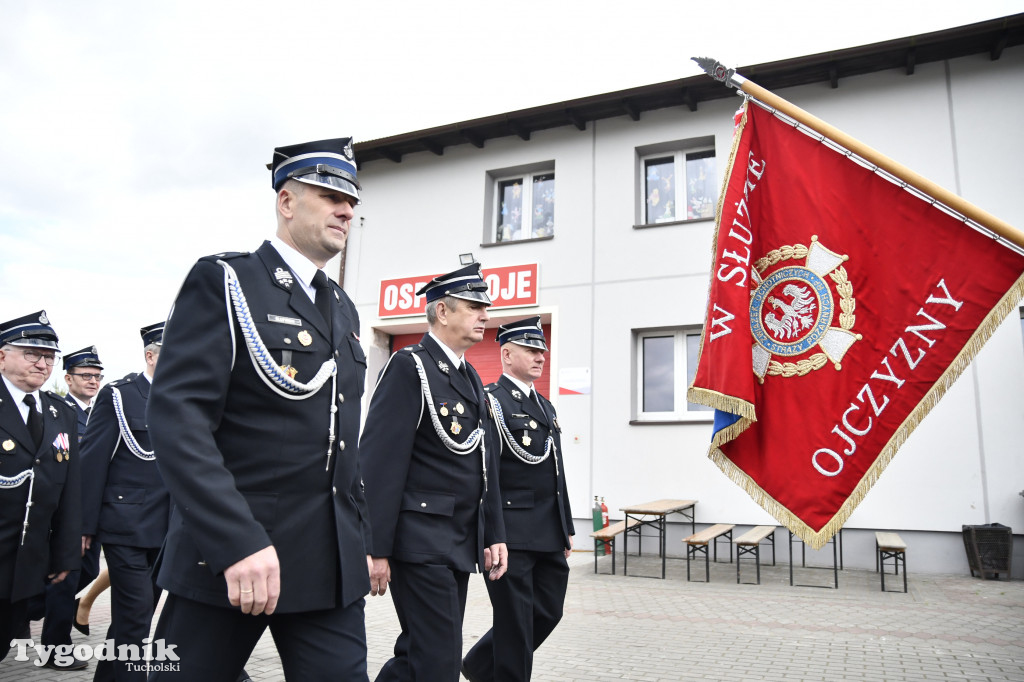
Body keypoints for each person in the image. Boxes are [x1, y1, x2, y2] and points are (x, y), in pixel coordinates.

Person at [146, 137, 372, 681]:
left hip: (327, 563)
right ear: (286, 201)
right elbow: (179, 420)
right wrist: (235, 542)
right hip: (234, 557)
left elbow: (340, 439)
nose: (346, 208)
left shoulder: (342, 307)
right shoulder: (226, 281)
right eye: (329, 193)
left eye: (352, 200)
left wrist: (359, 539)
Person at [359, 263, 508, 682]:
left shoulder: (471, 375)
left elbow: (484, 464)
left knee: (423, 656)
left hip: (456, 541)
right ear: (442, 311)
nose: (485, 315)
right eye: (475, 306)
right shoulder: (411, 366)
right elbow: (380, 462)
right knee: (438, 661)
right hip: (420, 541)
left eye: (486, 307)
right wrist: (376, 547)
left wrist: (493, 532)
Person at [461, 317, 574, 682]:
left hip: (548, 531)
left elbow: (556, 472)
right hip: (510, 534)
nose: (541, 356)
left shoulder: (545, 406)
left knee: (548, 611)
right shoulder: (491, 403)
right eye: (531, 349)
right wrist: (491, 532)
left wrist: (567, 524)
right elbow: (486, 474)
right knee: (515, 625)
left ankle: (479, 665)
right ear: (507, 355)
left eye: (542, 350)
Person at [80, 323, 170, 681]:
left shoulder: (184, 399)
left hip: (167, 529)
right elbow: (92, 462)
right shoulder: (120, 395)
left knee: (138, 617)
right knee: (135, 616)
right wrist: (84, 527)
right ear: (151, 355)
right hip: (125, 525)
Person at [0, 311, 80, 662]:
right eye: (31, 354)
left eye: (49, 357)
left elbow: (69, 491)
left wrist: (64, 554)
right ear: (1, 355)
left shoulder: (59, 412)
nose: (42, 363)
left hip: (27, 561)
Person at [23, 345, 107, 671]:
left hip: (86, 512)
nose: (93, 381)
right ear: (68, 377)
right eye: (86, 375)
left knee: (83, 572)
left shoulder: (92, 414)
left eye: (98, 376)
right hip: (55, 513)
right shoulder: (56, 410)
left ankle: (23, 609)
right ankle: (56, 646)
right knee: (64, 579)